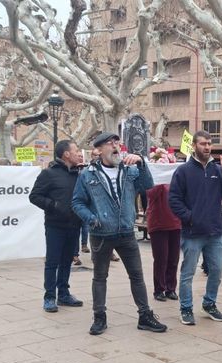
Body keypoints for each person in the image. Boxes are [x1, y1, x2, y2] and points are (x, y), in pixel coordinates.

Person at [71, 132, 167, 335]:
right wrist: (92, 219)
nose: (115, 146)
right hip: (101, 234)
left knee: (137, 276)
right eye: (110, 143)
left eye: (117, 142)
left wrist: (141, 163)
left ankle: (145, 316)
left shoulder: (130, 170)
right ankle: (99, 317)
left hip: (126, 232)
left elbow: (148, 187)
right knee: (100, 277)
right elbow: (77, 202)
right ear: (98, 150)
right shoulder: (87, 174)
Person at [168, 130, 222, 325]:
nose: (207, 147)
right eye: (203, 144)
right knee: (188, 273)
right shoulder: (183, 171)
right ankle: (186, 308)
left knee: (217, 270)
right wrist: (190, 218)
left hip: (215, 232)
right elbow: (174, 199)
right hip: (192, 233)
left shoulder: (217, 169)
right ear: (194, 146)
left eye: (209, 144)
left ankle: (209, 304)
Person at [29, 140, 86, 313]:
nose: (79, 154)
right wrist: (54, 205)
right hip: (55, 225)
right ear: (66, 154)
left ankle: (63, 294)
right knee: (52, 262)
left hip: (74, 225)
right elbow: (34, 196)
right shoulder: (48, 174)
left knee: (67, 261)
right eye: (76, 150)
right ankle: (49, 297)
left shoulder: (79, 174)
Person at [146, 183, 181, 301]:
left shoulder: (176, 179)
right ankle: (159, 289)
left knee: (173, 259)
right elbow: (150, 194)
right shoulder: (155, 179)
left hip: (175, 223)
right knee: (161, 259)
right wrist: (160, 184)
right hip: (158, 224)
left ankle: (171, 289)